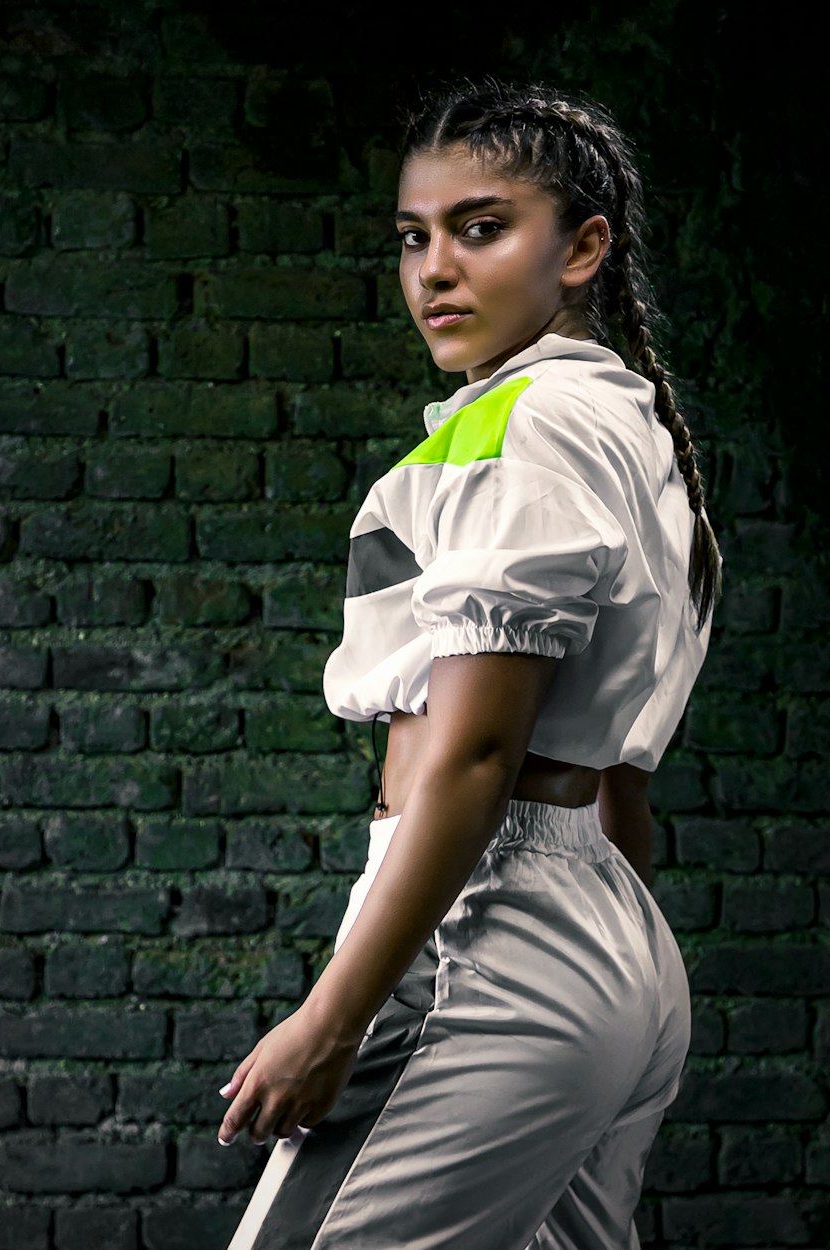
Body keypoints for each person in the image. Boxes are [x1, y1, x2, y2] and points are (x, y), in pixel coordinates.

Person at [217, 79, 721, 1249]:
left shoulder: (525, 423)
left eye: (480, 228)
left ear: (585, 245)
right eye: (413, 236)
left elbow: (479, 749)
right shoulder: (632, 430)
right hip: (618, 948)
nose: (433, 269)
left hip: (488, 940)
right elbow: (617, 787)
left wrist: (331, 1017)